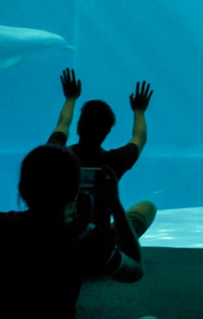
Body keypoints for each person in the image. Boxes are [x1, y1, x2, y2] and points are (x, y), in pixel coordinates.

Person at [0, 143, 165, 319]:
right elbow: (135, 269)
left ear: (22, 189)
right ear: (75, 192)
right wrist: (114, 202)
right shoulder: (82, 237)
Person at [47, 69, 156, 240]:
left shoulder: (56, 156)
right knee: (148, 207)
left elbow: (62, 124)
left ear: (79, 127)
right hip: (99, 240)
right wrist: (139, 111)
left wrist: (70, 98)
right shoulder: (113, 162)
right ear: (106, 133)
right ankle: (116, 236)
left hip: (60, 236)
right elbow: (139, 138)